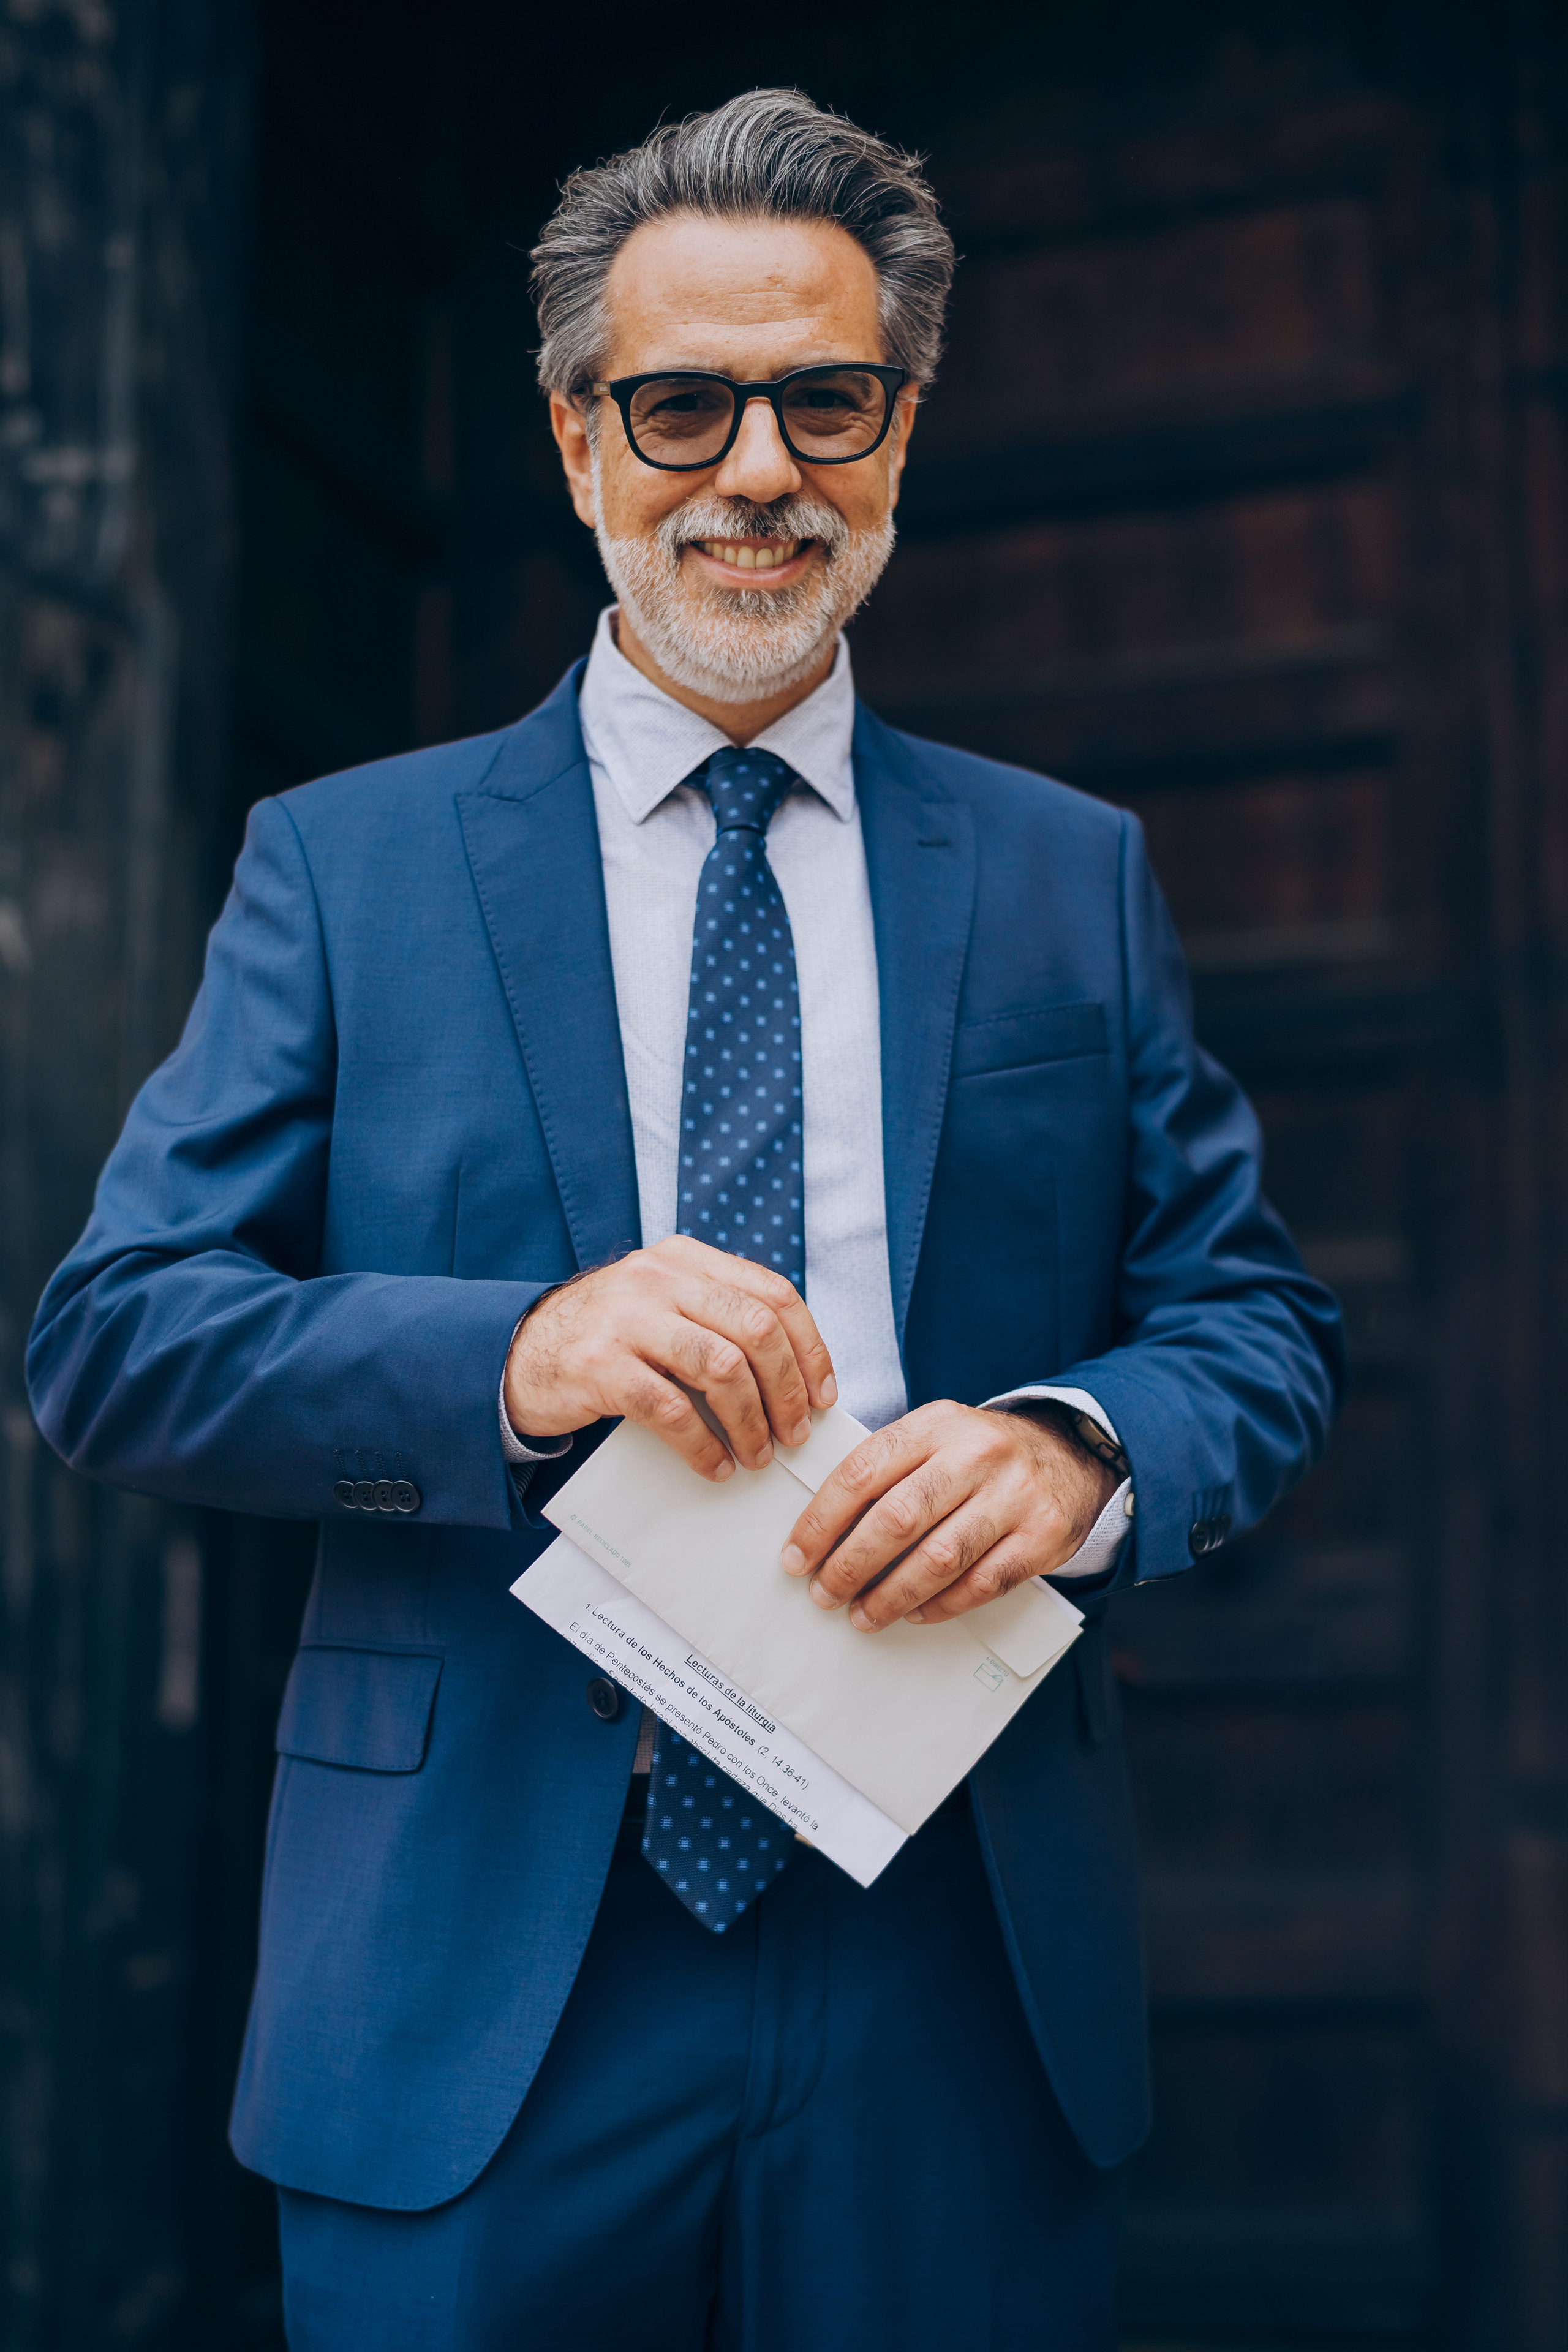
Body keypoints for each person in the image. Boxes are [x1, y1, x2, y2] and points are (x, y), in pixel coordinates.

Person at [27, 88, 1344, 2352]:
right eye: (682, 405)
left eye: (825, 401)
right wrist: (511, 1361)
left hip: (957, 1945)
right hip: (474, 1977)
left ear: (902, 431)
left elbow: (1257, 1325)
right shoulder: (345, 866)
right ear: (574, 445)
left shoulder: (1062, 877)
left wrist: (1077, 1452)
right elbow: (116, 1338)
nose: (758, 470)